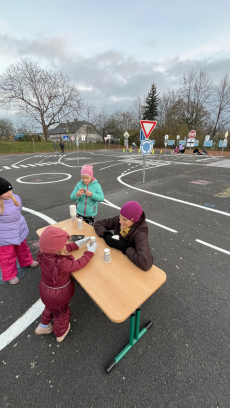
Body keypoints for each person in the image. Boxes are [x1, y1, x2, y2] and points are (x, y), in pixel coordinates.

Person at [35, 226, 98, 342]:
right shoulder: (62, 263)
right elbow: (79, 263)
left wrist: (77, 244)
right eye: (65, 243)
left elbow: (62, 249)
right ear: (59, 249)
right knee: (61, 313)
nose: (67, 245)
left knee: (50, 306)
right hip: (58, 294)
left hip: (46, 290)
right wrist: (89, 253)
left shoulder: (44, 254)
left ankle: (43, 326)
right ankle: (60, 333)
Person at [94, 201, 153, 271]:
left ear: (133, 220)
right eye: (120, 217)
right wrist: (106, 235)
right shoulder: (120, 219)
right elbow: (98, 224)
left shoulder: (140, 233)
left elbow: (145, 263)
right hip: (115, 258)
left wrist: (125, 247)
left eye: (124, 219)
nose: (120, 221)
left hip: (130, 265)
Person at [0, 177, 38, 285]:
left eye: (10, 189)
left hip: (19, 230)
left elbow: (19, 210)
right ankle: (9, 275)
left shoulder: (15, 198)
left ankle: (27, 261)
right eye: (5, 191)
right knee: (7, 256)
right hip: (5, 236)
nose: (9, 192)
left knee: (23, 248)